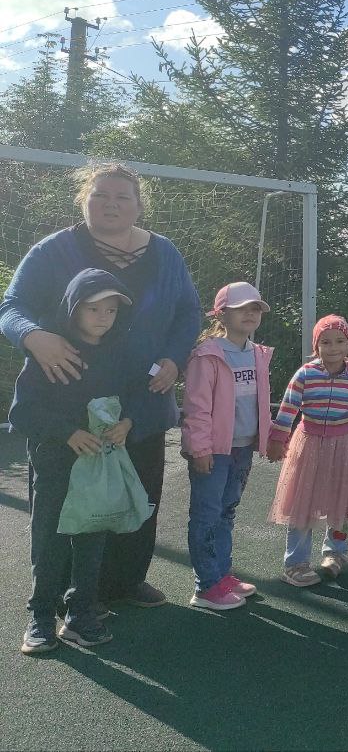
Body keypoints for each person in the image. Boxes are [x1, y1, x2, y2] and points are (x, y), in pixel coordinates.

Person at [1, 164, 201, 608]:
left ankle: (125, 581)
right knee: (63, 499)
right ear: (83, 201)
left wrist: (174, 357)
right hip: (69, 401)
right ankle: (61, 593)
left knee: (138, 488)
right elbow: (11, 306)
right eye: (100, 195)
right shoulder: (53, 250)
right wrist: (34, 336)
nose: (111, 204)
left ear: (139, 205)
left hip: (141, 401)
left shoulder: (165, 253)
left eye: (122, 197)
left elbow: (189, 312)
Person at [11, 269, 134, 654]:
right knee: (49, 539)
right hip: (54, 464)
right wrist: (67, 433)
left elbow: (131, 397)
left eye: (111, 310)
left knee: (91, 538)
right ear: (73, 308)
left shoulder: (117, 353)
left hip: (97, 465)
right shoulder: (49, 351)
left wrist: (127, 423)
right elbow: (22, 412)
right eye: (93, 308)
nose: (103, 317)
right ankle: (40, 614)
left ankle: (79, 612)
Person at [181, 282, 273, 611]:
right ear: (221, 314)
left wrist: (268, 437)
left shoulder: (257, 353)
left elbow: (259, 403)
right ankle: (206, 586)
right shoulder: (207, 355)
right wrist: (200, 449)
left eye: (255, 308)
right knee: (206, 515)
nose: (250, 313)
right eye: (241, 308)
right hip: (213, 452)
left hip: (242, 449)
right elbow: (197, 407)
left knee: (226, 511)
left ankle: (221, 575)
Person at [267, 315, 348, 587]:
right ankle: (295, 563)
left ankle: (335, 553)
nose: (333, 348)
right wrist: (278, 438)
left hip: (344, 446)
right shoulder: (306, 374)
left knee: (340, 501)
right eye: (325, 342)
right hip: (309, 444)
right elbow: (288, 407)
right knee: (303, 503)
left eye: (339, 341)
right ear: (316, 346)